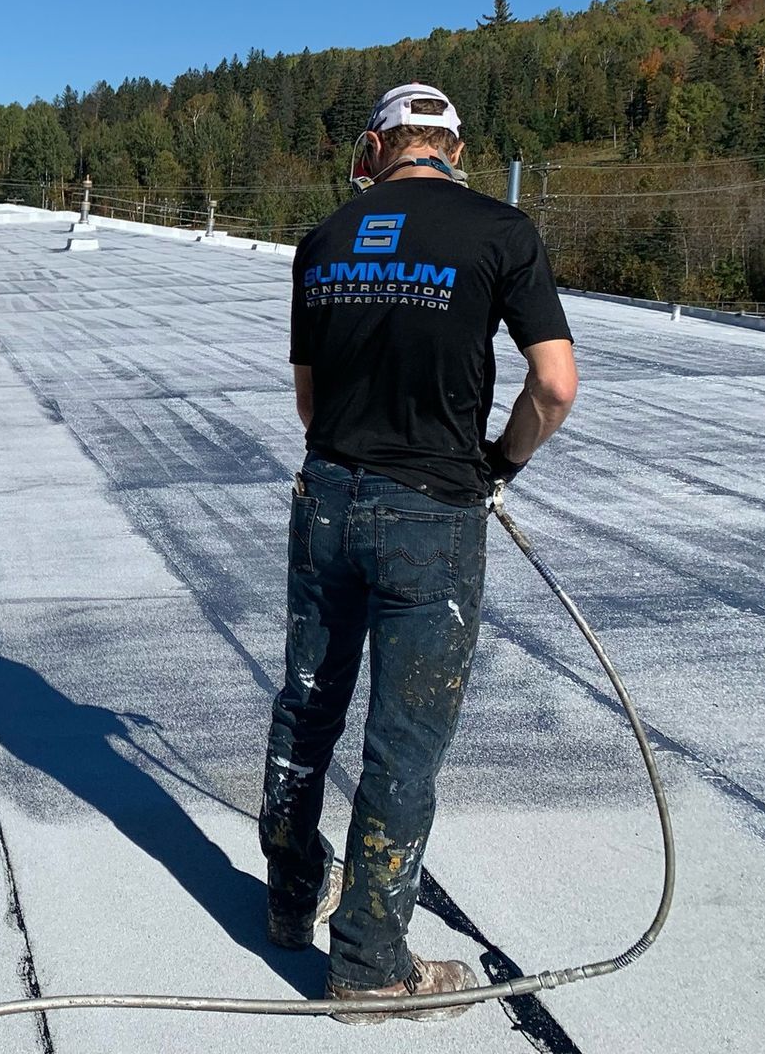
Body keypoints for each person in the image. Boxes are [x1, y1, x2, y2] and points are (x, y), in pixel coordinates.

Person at [259, 82, 578, 1021]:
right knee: (403, 741)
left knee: (307, 701)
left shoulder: (323, 242)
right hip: (432, 512)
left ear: (375, 147)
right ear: (453, 147)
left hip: (326, 497)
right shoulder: (498, 232)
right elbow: (553, 384)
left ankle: (287, 901)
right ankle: (367, 963)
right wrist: (499, 464)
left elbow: (310, 405)